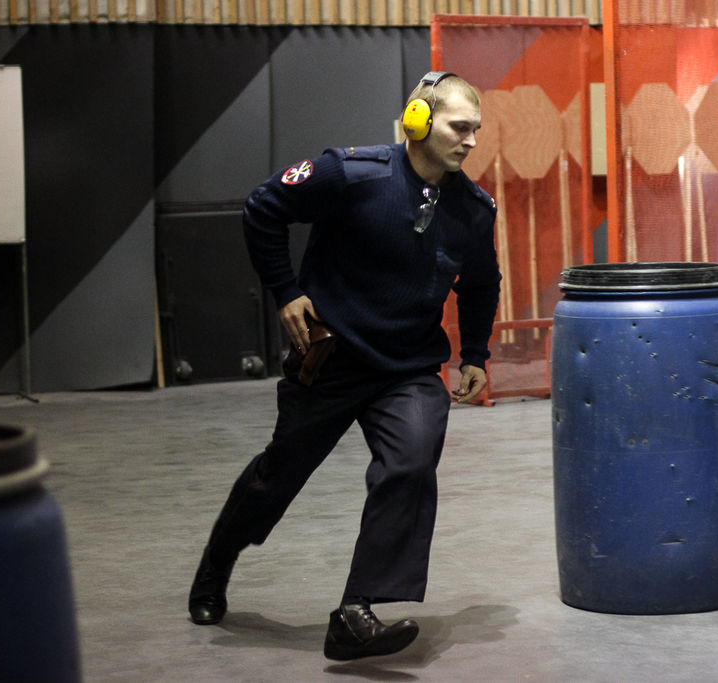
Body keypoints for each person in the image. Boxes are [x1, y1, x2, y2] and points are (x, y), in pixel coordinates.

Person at [187, 72, 500, 662]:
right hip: (332, 360)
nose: (471, 141)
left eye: (476, 130)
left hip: (408, 367)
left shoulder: (473, 209)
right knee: (277, 477)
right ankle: (217, 562)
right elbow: (262, 208)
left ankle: (356, 612)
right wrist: (286, 291)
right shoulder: (350, 174)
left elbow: (482, 282)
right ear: (418, 121)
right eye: (460, 127)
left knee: (411, 462)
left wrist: (476, 354)